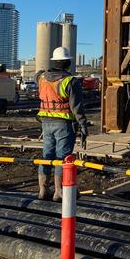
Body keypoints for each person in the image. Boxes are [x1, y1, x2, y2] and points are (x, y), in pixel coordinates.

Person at [36, 47, 88, 201]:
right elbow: (76, 107)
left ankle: (42, 190)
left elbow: (38, 73)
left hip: (46, 123)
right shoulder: (70, 81)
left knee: (46, 156)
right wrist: (83, 125)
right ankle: (58, 192)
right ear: (68, 63)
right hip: (64, 125)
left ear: (54, 61)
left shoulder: (42, 78)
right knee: (62, 157)